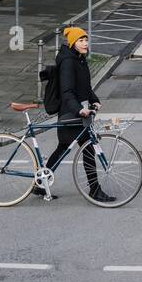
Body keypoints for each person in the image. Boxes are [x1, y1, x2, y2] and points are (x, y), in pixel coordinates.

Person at [38, 27, 113, 202]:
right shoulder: (68, 62)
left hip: (80, 112)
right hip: (71, 113)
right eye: (81, 40)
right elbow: (67, 92)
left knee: (66, 148)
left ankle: (39, 184)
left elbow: (85, 87)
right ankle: (95, 190)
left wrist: (95, 99)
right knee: (86, 149)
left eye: (86, 39)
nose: (85, 43)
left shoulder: (79, 59)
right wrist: (79, 109)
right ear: (72, 43)